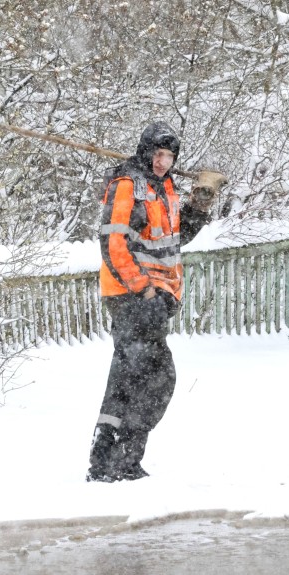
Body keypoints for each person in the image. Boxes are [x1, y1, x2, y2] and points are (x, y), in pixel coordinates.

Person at [86, 121, 221, 482]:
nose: (163, 162)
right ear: (146, 151)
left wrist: (201, 202)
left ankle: (109, 461)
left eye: (170, 156)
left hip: (156, 296)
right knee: (157, 378)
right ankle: (121, 461)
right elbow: (113, 244)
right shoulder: (128, 185)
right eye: (158, 154)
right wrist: (143, 290)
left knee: (129, 378)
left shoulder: (164, 188)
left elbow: (176, 238)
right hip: (134, 296)